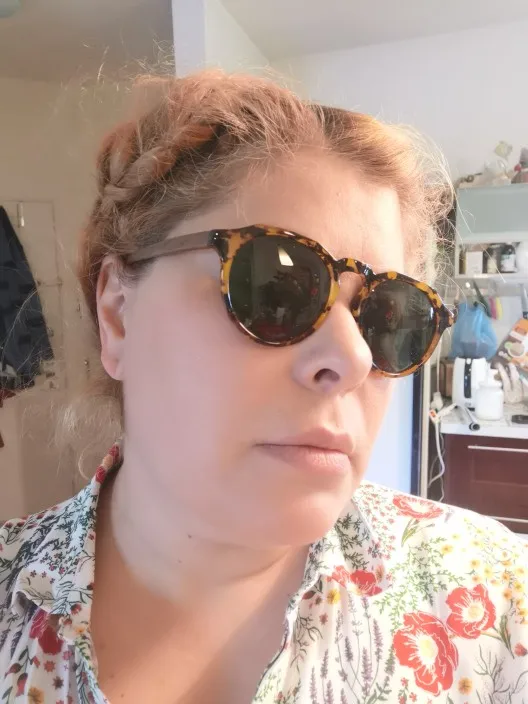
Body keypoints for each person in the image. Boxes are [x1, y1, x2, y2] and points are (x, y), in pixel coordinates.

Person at [0, 71, 526, 704]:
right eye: (276, 286)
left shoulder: (493, 599)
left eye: (389, 317)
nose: (354, 357)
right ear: (117, 314)